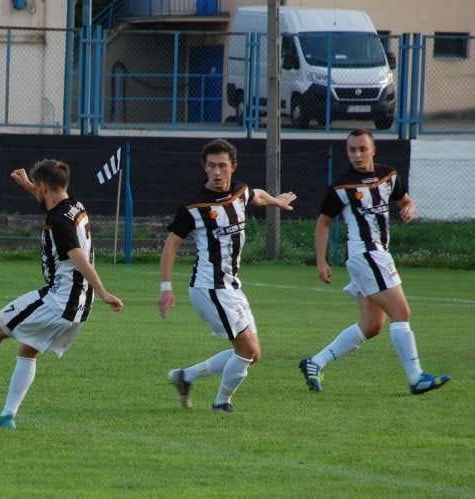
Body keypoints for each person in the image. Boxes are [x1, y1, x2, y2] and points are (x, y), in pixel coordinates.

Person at [0, 159, 124, 429]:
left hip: (59, 299)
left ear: (44, 187)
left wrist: (105, 291)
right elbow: (51, 204)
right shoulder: (74, 205)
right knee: (28, 350)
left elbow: (78, 257)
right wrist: (29, 185)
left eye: (36, 188)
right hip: (80, 306)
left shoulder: (58, 222)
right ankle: (7, 417)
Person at [299, 129, 451, 395]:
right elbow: (323, 223)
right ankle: (416, 378)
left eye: (362, 149)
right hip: (366, 254)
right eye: (352, 150)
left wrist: (409, 209)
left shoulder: (389, 176)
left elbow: (405, 200)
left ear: (373, 149)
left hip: (377, 253)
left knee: (371, 326)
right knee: (401, 313)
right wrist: (321, 262)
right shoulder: (341, 187)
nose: (357, 155)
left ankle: (316, 362)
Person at [159, 139, 296, 413]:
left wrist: (275, 201)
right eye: (212, 166)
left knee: (252, 354)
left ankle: (185, 377)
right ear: (205, 167)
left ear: (233, 167)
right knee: (245, 351)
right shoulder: (194, 207)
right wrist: (166, 288)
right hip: (209, 288)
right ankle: (222, 402)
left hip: (232, 286)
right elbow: (171, 245)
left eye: (222, 166)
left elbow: (255, 194)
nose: (217, 172)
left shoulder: (239, 191)